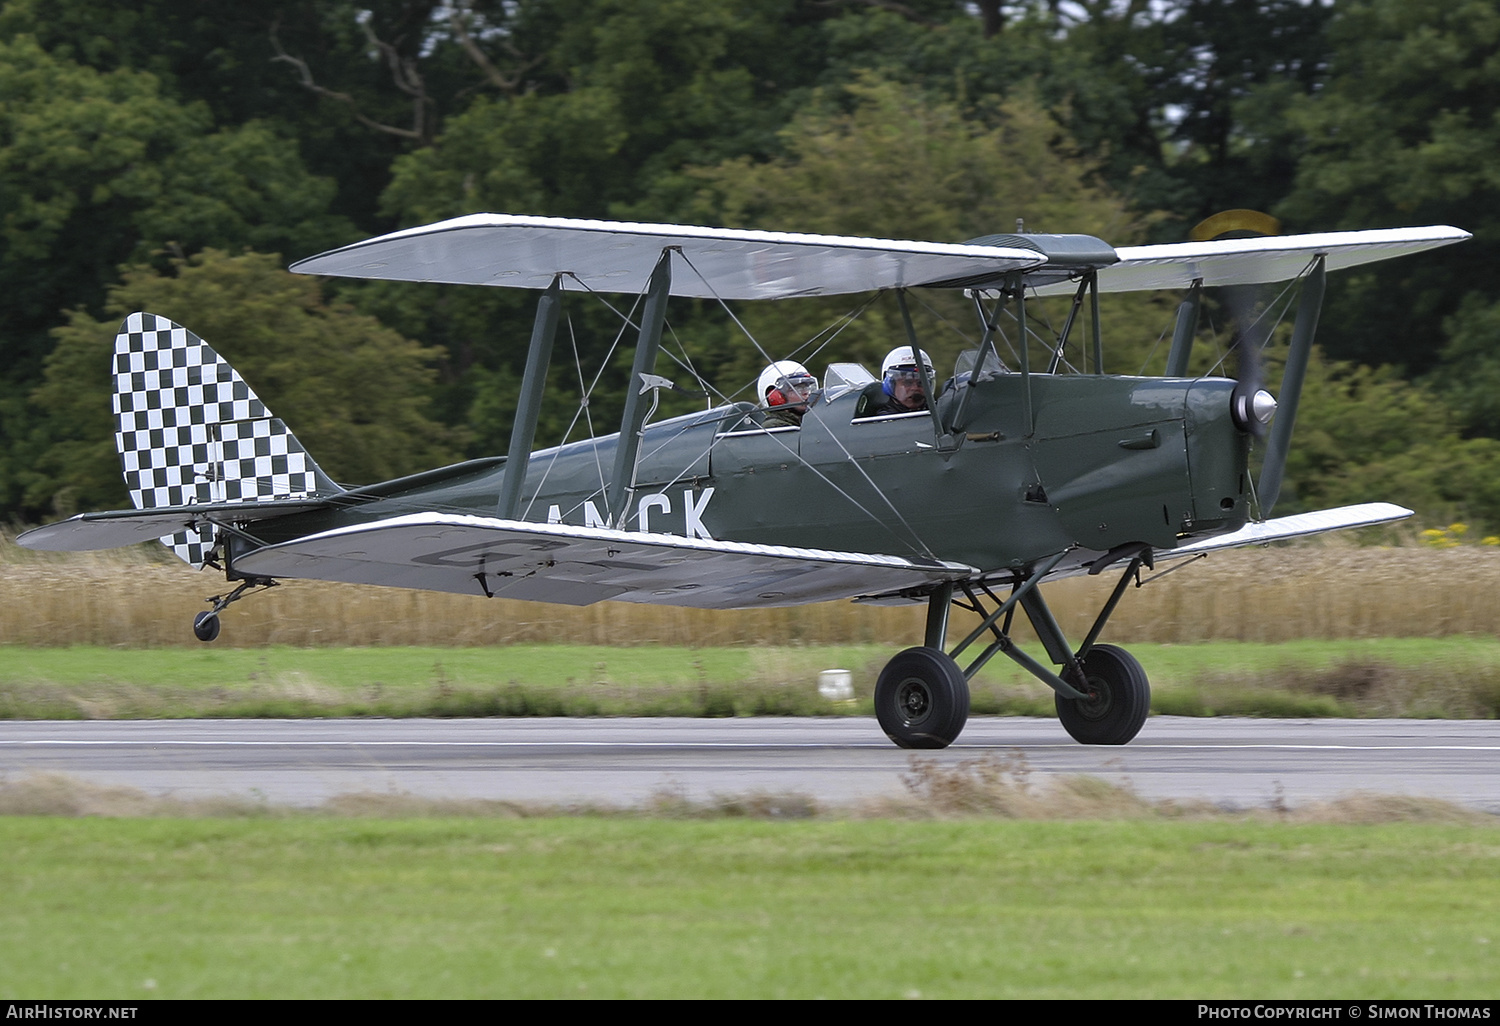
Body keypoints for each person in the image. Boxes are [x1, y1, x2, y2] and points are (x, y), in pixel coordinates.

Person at [856, 346, 934, 418]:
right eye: (908, 383)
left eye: (920, 383)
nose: (915, 388)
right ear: (891, 385)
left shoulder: (939, 414)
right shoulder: (882, 421)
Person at [758, 360, 819, 427]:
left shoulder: (811, 421)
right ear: (776, 397)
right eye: (797, 388)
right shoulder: (773, 426)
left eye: (807, 387)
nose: (806, 393)